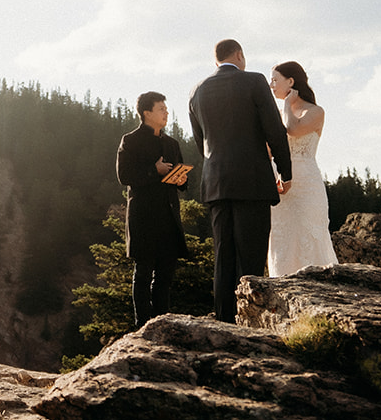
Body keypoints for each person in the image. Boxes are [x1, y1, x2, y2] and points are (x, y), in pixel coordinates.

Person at [188, 38, 292, 323]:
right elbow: (275, 129)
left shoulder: (196, 90)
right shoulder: (254, 81)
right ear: (239, 55)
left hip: (215, 182)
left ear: (217, 60)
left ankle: (224, 319)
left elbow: (201, 142)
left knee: (224, 254)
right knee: (251, 254)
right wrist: (285, 171)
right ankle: (250, 320)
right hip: (252, 180)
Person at [116, 90, 191, 327]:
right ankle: (142, 325)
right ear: (147, 113)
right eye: (161, 109)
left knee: (165, 274)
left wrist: (181, 179)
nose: (166, 113)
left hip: (168, 215)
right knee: (144, 271)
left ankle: (162, 322)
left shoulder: (171, 143)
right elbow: (124, 176)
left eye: (166, 109)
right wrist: (154, 170)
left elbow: (183, 181)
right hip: (144, 215)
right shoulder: (131, 140)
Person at [267, 61, 340, 275]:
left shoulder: (316, 112)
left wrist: (287, 104)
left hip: (307, 185)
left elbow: (293, 129)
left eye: (275, 80)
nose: (271, 85)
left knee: (309, 235)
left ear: (290, 81)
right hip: (280, 184)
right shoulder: (278, 114)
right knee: (282, 238)